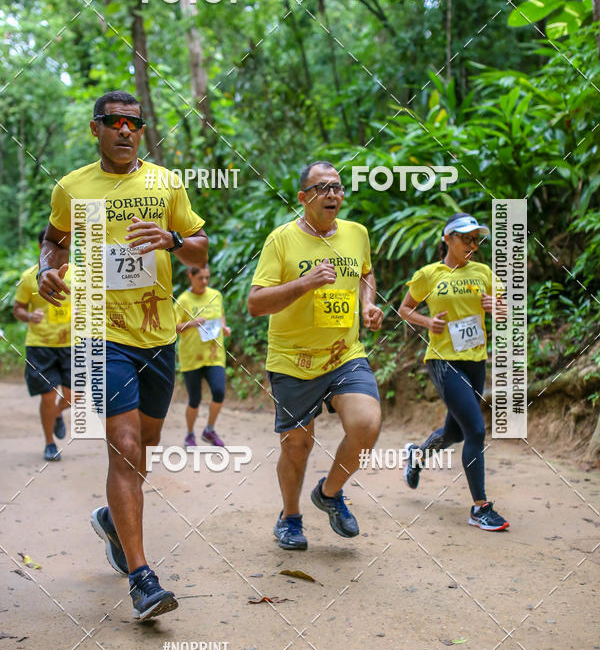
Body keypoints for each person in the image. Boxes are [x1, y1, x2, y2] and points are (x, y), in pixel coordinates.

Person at [37, 91, 208, 620]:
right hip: (95, 329)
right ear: (96, 129)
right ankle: (142, 577)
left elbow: (202, 246)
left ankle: (112, 518)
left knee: (148, 442)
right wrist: (48, 266)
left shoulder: (165, 183)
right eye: (114, 122)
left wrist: (174, 239)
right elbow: (54, 238)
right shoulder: (73, 186)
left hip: (157, 333)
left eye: (133, 122)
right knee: (125, 444)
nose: (125, 130)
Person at [248, 160, 383, 550]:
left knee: (366, 423)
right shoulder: (282, 240)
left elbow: (364, 273)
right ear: (303, 198)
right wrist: (305, 283)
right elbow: (256, 303)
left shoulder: (357, 234)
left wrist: (367, 305)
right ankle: (290, 518)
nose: (333, 195)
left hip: (344, 354)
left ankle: (329, 492)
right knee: (297, 445)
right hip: (293, 360)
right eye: (322, 188)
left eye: (338, 188)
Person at [397, 211, 509, 531]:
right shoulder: (428, 275)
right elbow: (405, 309)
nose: (472, 244)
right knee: (475, 430)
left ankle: (417, 456)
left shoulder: (483, 272)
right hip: (443, 360)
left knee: (456, 432)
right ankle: (480, 507)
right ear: (447, 238)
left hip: (476, 360)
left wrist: (496, 307)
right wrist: (427, 323)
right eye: (465, 238)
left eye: (476, 239)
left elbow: (504, 310)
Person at [14, 227, 71, 462]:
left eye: (65, 247)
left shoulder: (78, 275)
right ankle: (49, 443)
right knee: (48, 396)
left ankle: (56, 414)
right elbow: (17, 309)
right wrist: (29, 316)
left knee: (73, 395)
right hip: (40, 345)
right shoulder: (29, 277)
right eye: (55, 247)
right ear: (43, 249)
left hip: (71, 344)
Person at [174, 265, 231, 447]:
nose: (205, 282)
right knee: (195, 399)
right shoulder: (183, 300)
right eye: (200, 278)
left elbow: (220, 315)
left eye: (207, 277)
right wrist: (191, 323)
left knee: (219, 392)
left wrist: (224, 327)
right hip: (191, 356)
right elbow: (173, 327)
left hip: (214, 354)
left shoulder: (216, 295)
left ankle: (209, 429)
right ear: (190, 275)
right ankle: (190, 434)